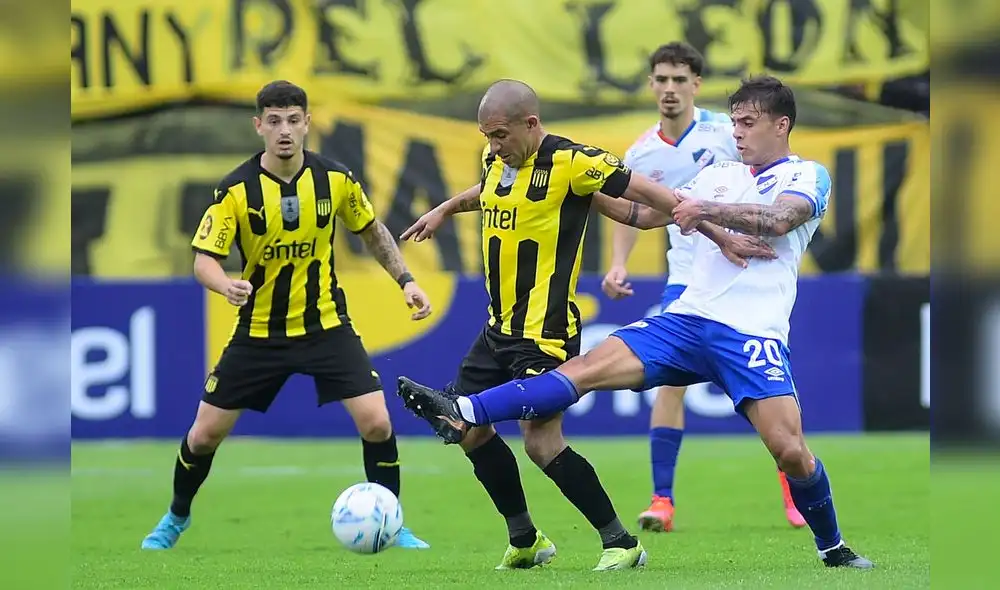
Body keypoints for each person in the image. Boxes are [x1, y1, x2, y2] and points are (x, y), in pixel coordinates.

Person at [398, 75, 875, 569]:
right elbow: (642, 214)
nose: (737, 133)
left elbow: (779, 220)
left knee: (789, 449)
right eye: (733, 123)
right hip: (685, 321)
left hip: (753, 335)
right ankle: (466, 411)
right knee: (579, 373)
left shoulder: (807, 174)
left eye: (748, 123)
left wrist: (700, 210)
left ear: (782, 124)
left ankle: (833, 548)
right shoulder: (717, 175)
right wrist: (576, 184)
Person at [140, 80, 433, 551]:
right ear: (258, 125)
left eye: (293, 120)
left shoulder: (335, 179)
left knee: (376, 422)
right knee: (203, 435)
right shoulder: (235, 190)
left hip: (324, 326)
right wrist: (225, 284)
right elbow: (203, 260)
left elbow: (372, 231)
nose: (284, 131)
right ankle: (176, 517)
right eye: (274, 121)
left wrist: (407, 280)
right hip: (258, 332)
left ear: (307, 123)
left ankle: (392, 524)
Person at [601, 42, 806, 532]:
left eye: (679, 79)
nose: (669, 89)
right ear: (651, 85)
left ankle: (795, 494)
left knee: (771, 395)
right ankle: (662, 500)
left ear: (695, 84)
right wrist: (616, 263)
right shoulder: (641, 151)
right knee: (669, 384)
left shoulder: (729, 132)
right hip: (686, 280)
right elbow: (636, 212)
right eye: (661, 80)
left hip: (744, 277)